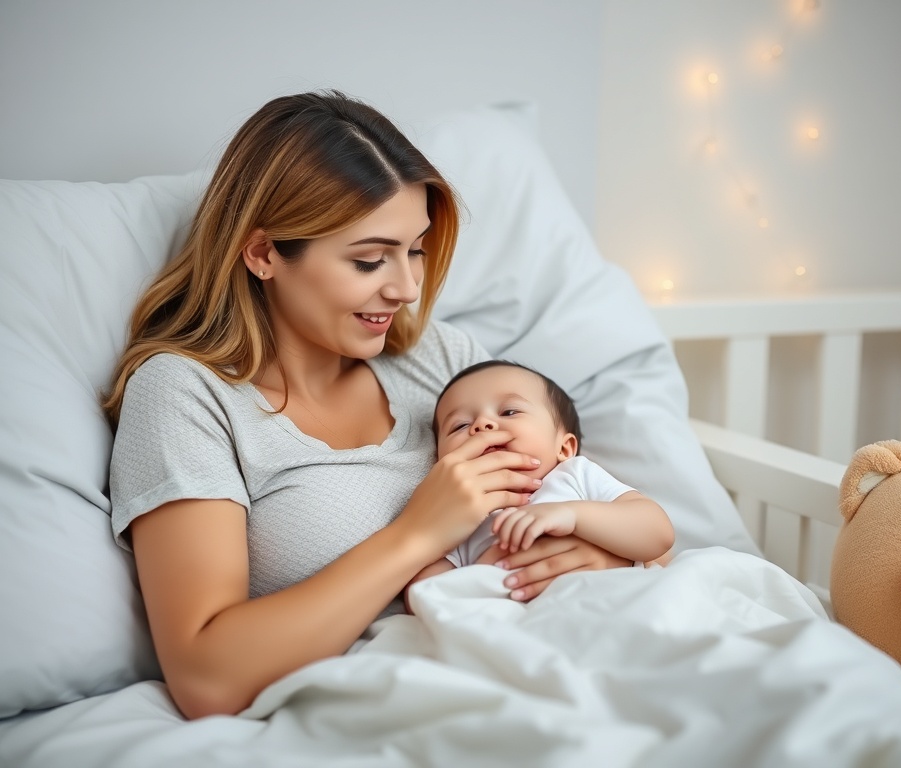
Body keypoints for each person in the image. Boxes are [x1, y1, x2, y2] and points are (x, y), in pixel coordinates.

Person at [102, 90, 632, 721]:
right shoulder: (185, 395)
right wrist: (417, 534)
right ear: (264, 253)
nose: (407, 288)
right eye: (369, 259)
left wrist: (598, 555)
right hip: (394, 705)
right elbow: (205, 677)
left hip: (541, 659)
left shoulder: (441, 361)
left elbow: (589, 498)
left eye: (414, 250)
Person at [404, 360, 676, 609]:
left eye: (509, 412)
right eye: (459, 426)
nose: (483, 424)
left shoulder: (575, 474)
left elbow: (658, 534)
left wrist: (573, 515)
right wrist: (479, 574)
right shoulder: (461, 514)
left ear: (565, 447)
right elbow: (422, 594)